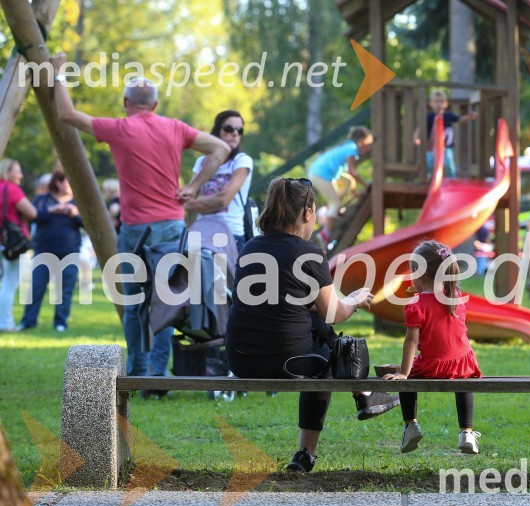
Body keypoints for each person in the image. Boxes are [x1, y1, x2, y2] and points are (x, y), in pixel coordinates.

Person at [51, 52, 231, 379]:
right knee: (165, 303)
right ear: (156, 105)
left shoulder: (119, 128)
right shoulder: (175, 128)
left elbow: (66, 114)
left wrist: (58, 73)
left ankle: (136, 371)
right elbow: (222, 148)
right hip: (172, 227)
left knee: (134, 304)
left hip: (135, 230)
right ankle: (157, 374)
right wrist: (193, 186)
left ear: (125, 102)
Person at [225, 177, 400, 472]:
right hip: (287, 360)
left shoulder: (250, 248)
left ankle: (365, 397)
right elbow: (336, 313)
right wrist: (356, 299)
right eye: (315, 211)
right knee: (329, 361)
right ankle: (307, 452)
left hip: (240, 360)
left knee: (315, 321)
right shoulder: (309, 252)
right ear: (307, 213)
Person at [382, 241, 482, 454]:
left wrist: (403, 373)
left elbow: (411, 341)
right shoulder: (455, 297)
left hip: (433, 366)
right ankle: (467, 432)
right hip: (463, 363)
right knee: (463, 383)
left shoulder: (416, 305)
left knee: (405, 378)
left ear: (419, 275)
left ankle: (411, 425)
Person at [183, 110, 254, 254]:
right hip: (202, 232)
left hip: (231, 234)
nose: (234, 133)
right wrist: (210, 202)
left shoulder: (241, 161)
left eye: (239, 130)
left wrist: (197, 202)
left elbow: (223, 200)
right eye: (229, 128)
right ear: (217, 131)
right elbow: (187, 202)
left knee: (228, 277)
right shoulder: (202, 162)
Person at [18, 173, 83, 332]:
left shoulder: (78, 202)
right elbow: (33, 217)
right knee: (36, 287)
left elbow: (90, 224)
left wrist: (75, 215)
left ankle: (61, 322)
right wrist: (52, 210)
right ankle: (28, 321)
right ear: (58, 183)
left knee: (65, 289)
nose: (70, 184)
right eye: (67, 181)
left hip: (69, 252)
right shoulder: (43, 199)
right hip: (44, 251)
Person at [308, 126, 373, 240]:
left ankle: (334, 209)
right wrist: (366, 184)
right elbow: (353, 172)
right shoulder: (352, 149)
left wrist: (354, 192)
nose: (368, 148)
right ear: (361, 141)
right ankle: (325, 234)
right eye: (367, 144)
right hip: (320, 174)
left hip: (316, 171)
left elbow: (349, 175)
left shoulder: (348, 146)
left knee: (347, 181)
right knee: (335, 202)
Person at [0, 159, 36, 332]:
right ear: (8, 172)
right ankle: (5, 323)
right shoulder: (11, 190)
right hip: (12, 242)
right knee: (9, 282)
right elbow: (32, 212)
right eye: (18, 171)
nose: (21, 175)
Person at [414, 90, 478, 178]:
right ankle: (429, 179)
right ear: (431, 104)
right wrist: (416, 137)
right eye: (436, 101)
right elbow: (420, 127)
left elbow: (459, 119)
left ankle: (452, 180)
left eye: (441, 101)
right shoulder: (429, 117)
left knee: (449, 163)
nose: (439, 104)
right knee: (429, 163)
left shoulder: (448, 115)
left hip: (446, 147)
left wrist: (469, 117)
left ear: (446, 104)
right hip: (431, 147)